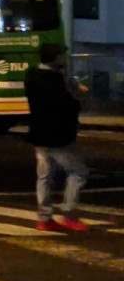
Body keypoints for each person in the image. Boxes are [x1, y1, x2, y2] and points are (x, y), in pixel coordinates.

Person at [25, 43, 89, 232]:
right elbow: (66, 106)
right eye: (61, 55)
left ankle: (44, 218)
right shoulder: (53, 80)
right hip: (57, 136)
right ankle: (69, 213)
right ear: (55, 58)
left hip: (39, 134)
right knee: (78, 172)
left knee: (44, 176)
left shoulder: (32, 76)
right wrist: (74, 97)